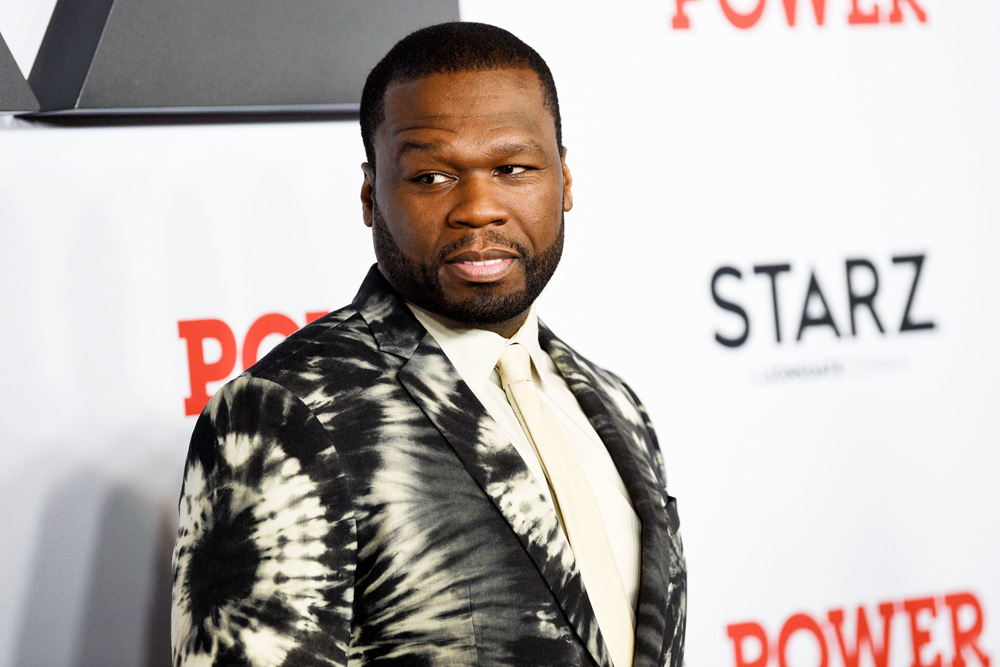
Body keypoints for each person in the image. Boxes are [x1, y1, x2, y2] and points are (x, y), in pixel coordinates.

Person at [171, 21, 685, 667]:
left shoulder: (616, 404)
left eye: (512, 167)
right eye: (432, 177)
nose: (478, 207)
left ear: (566, 181)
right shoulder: (287, 414)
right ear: (369, 194)